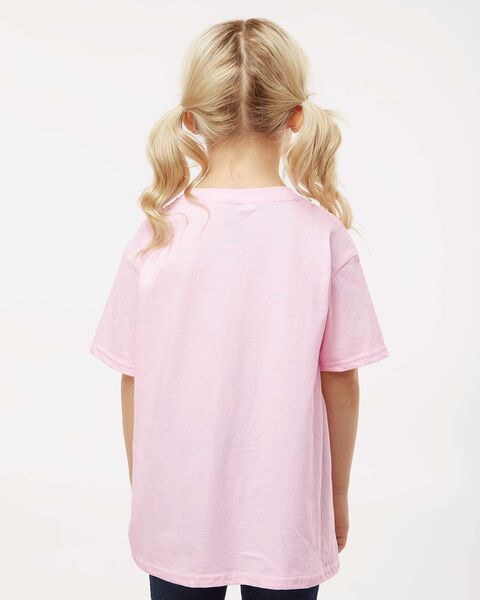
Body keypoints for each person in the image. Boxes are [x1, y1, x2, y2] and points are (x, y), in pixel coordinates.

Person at [90, 17, 389, 600]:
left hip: (176, 508)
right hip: (286, 514)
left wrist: (147, 491)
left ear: (192, 119)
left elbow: (133, 377)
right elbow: (341, 380)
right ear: (296, 116)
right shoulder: (323, 238)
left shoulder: (155, 236)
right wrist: (336, 497)